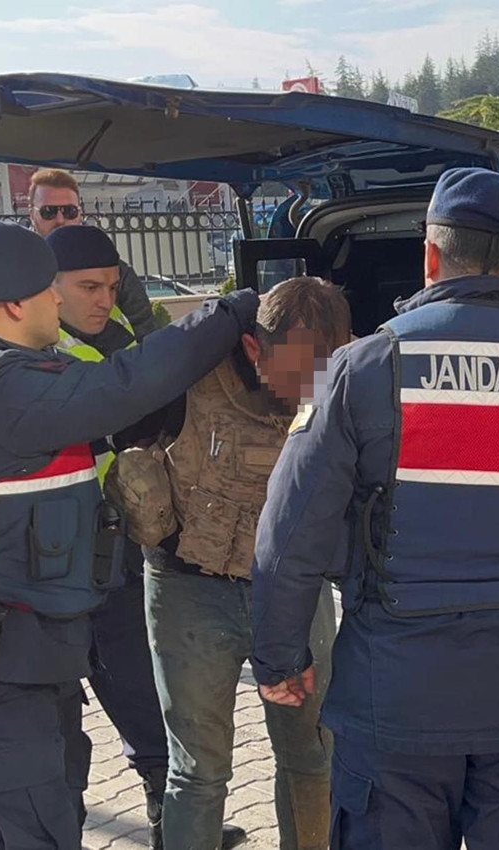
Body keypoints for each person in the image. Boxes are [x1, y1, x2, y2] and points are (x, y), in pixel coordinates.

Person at [251, 168, 499, 850]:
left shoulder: (364, 367)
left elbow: (289, 535)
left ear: (430, 256)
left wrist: (280, 658)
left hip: (396, 700)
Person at [0, 219, 258, 850]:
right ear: (14, 305)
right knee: (33, 831)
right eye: (49, 291)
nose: (61, 302)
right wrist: (231, 312)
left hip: (19, 642)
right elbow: (123, 386)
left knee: (55, 809)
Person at [114, 277, 351, 850]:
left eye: (324, 371)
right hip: (189, 592)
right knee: (197, 768)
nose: (308, 390)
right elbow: (117, 431)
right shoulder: (185, 379)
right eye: (296, 374)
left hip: (296, 593)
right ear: (252, 349)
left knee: (312, 754)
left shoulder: (348, 379)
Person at [45, 224, 246, 850]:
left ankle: (168, 816)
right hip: (76, 557)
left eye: (110, 285)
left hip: (125, 547)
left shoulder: (114, 339)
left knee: (141, 686)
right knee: (96, 698)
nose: (102, 299)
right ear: (47, 290)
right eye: (87, 287)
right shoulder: (51, 356)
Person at [28, 168, 158, 340]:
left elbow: (147, 334)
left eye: (69, 211)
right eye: (48, 212)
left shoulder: (116, 271)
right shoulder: (20, 273)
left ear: (80, 214)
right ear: (32, 215)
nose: (60, 220)